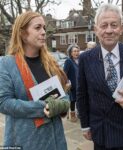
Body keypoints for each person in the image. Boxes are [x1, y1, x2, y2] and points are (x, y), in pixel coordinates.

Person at [77, 4, 123, 150]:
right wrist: (85, 125)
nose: (109, 30)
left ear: (121, 28)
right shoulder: (85, 58)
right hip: (99, 131)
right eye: (104, 25)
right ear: (96, 30)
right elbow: (82, 94)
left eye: (114, 25)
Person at [0, 11, 70, 150]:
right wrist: (42, 107)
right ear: (22, 33)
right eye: (37, 28)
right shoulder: (7, 64)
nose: (44, 32)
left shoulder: (50, 62)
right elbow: (4, 103)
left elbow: (63, 94)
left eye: (44, 27)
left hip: (55, 140)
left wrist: (63, 104)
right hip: (25, 140)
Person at [63, 44, 80, 122]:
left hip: (80, 84)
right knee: (73, 100)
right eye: (74, 51)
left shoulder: (80, 60)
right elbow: (64, 73)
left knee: (79, 99)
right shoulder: (68, 61)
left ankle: (79, 113)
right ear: (70, 52)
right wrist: (67, 82)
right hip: (72, 84)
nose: (76, 53)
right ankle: (72, 115)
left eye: (77, 51)